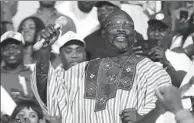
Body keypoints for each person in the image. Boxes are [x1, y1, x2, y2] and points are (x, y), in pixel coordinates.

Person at [32, 9, 171, 123]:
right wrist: (44, 51)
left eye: (127, 25)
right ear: (103, 34)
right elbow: (48, 93)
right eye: (114, 25)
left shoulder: (152, 71)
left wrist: (143, 119)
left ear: (134, 35)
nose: (121, 29)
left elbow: (164, 112)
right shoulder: (82, 71)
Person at [32, 31, 87, 108]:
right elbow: (41, 90)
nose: (74, 55)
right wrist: (45, 50)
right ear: (60, 55)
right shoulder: (52, 79)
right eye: (68, 51)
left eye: (79, 50)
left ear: (85, 55)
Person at [1, 31, 34, 102]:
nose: (11, 51)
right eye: (6, 48)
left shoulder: (34, 75)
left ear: (23, 49)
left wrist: (32, 102)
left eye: (15, 47)